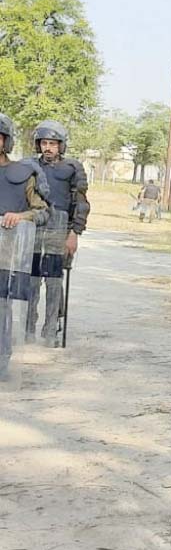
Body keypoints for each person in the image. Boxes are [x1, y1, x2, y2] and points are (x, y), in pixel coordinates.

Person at [25, 120, 90, 347]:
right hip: (34, 227)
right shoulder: (29, 165)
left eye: (53, 143)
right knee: (31, 280)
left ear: (61, 145)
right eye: (44, 142)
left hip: (60, 228)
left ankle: (52, 329)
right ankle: (27, 330)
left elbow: (81, 203)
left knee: (54, 281)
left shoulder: (73, 168)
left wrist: (74, 233)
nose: (48, 148)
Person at [0, 113, 49, 377]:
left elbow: (41, 211)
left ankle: (1, 361)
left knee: (0, 309)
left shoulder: (23, 174)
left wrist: (19, 217)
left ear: (6, 141)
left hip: (6, 254)